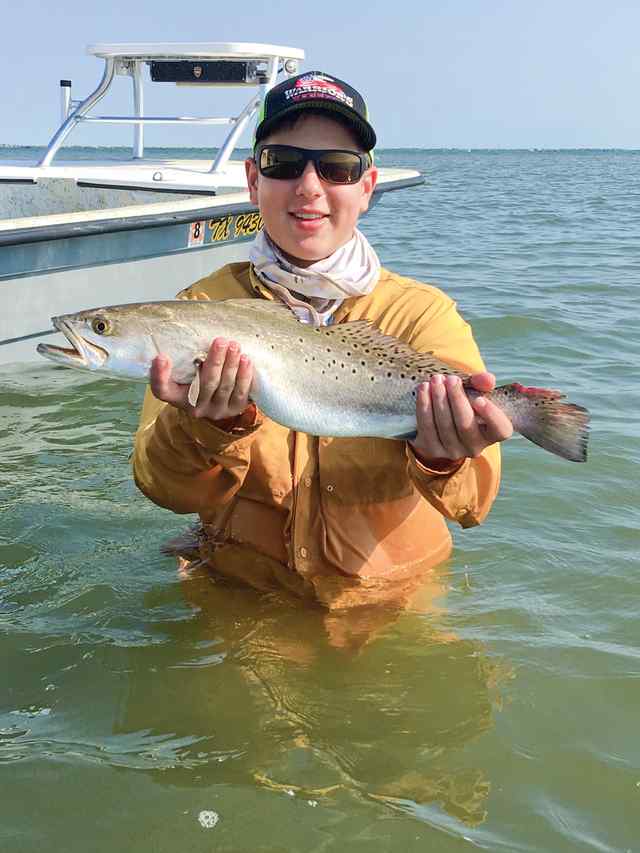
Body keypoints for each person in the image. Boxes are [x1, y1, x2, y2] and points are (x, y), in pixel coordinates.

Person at [132, 71, 512, 616]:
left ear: (367, 186)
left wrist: (443, 456)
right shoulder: (200, 307)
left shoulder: (422, 313)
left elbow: (474, 504)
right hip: (240, 593)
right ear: (252, 180)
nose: (309, 187)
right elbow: (163, 489)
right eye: (283, 165)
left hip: (392, 603)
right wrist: (208, 427)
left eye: (336, 168)